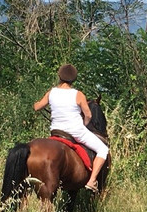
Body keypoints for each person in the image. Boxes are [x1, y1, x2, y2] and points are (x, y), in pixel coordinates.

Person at [34, 64, 109, 192]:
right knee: (103, 149)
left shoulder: (51, 92)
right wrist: (85, 124)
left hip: (56, 131)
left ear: (59, 76)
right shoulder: (78, 95)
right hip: (75, 131)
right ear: (73, 79)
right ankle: (92, 181)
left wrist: (36, 103)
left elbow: (37, 107)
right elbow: (88, 115)